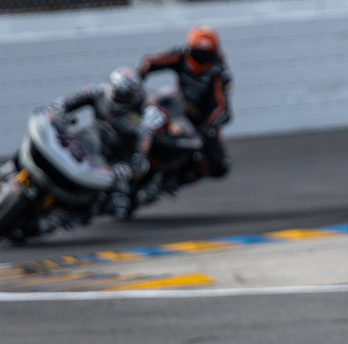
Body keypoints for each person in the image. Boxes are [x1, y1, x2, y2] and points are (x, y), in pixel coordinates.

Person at [53, 66, 161, 218]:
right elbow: (68, 102)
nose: (119, 98)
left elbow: (142, 147)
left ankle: (90, 209)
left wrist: (130, 165)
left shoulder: (143, 112)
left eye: (124, 96)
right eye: (117, 94)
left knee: (119, 205)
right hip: (92, 142)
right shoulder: (97, 91)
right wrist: (57, 112)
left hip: (116, 157)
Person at [138, 26, 233, 184]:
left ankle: (181, 178)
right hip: (178, 113)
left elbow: (223, 107)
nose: (201, 59)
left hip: (202, 122)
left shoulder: (219, 73)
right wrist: (136, 79)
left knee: (220, 167)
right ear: (190, 49)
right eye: (198, 53)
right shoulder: (180, 56)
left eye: (206, 55)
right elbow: (150, 63)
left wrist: (209, 127)